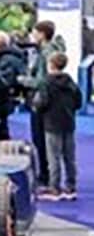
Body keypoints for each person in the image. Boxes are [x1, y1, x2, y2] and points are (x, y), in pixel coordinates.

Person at [24, 20, 67, 182]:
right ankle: (47, 174)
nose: (32, 35)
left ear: (42, 34)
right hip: (49, 101)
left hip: (43, 101)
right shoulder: (49, 51)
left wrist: (24, 80)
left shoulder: (46, 53)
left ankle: (46, 175)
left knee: (41, 139)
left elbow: (43, 80)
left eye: (35, 32)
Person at [38, 52, 81, 201]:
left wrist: (37, 107)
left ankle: (54, 188)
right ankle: (71, 187)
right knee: (69, 157)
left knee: (53, 157)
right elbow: (78, 101)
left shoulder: (46, 83)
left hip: (51, 122)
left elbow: (41, 102)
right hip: (68, 122)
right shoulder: (71, 82)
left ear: (50, 64)